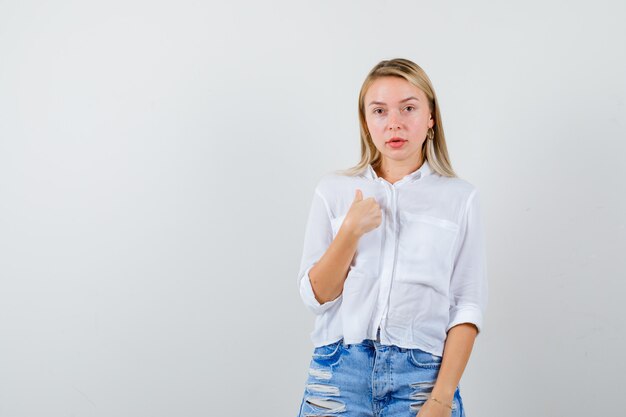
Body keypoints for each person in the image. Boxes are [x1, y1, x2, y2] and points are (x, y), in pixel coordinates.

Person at [295, 58, 488, 417]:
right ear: (366, 123)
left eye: (409, 108)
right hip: (337, 375)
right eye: (379, 111)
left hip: (421, 381)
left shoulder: (460, 198)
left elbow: (466, 306)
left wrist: (441, 398)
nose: (394, 123)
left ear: (431, 118)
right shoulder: (333, 191)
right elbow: (315, 296)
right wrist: (350, 231)